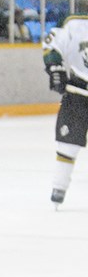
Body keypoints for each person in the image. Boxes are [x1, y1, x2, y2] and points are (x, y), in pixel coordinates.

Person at [42, 16, 88, 208]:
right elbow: (52, 45)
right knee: (67, 144)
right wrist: (55, 67)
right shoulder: (75, 24)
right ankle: (59, 186)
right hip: (78, 92)